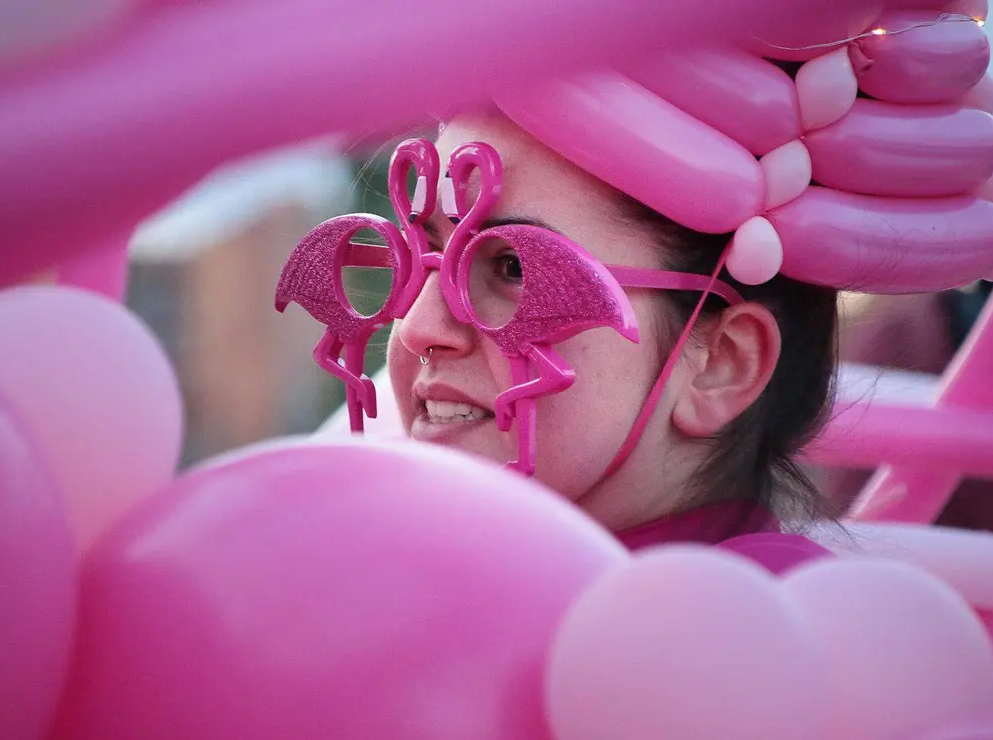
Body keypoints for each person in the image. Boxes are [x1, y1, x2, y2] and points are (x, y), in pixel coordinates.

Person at [287, 111, 838, 571]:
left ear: (720, 363)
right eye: (418, 256)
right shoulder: (407, 579)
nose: (418, 327)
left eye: (514, 267)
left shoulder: (748, 653)